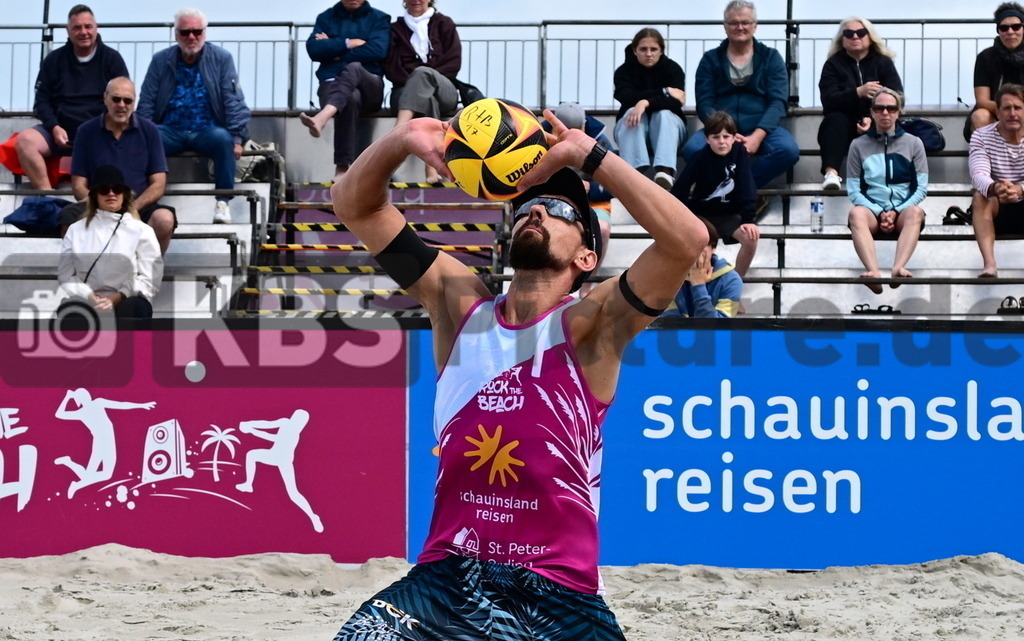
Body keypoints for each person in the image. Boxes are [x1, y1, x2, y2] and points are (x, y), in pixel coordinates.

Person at [327, 108, 707, 639]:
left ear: (586, 256)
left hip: (558, 591)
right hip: (448, 580)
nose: (535, 212)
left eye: (556, 209)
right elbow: (352, 204)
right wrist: (401, 140)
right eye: (527, 206)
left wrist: (589, 155)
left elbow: (687, 241)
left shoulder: (592, 326)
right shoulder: (459, 305)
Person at [137, 8, 252, 224]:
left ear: (205, 33)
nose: (191, 37)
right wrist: (141, 133)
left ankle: (223, 203)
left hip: (207, 131)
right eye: (185, 32)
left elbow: (233, 100)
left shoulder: (221, 58)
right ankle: (143, 202)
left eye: (197, 31)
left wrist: (237, 137)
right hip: (170, 130)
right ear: (176, 34)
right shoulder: (161, 60)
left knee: (224, 140)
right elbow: (147, 101)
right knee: (146, 138)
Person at [12, 5, 128, 191]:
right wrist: (54, 126)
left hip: (99, 132)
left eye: (88, 26)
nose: (83, 32)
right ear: (68, 31)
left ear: (96, 27)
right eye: (77, 27)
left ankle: (99, 201)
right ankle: (48, 197)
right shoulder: (53, 60)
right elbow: (41, 101)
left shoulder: (112, 59)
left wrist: (103, 128)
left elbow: (123, 100)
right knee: (25, 141)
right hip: (59, 132)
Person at [685, 0, 798, 191]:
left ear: (755, 26)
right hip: (720, 127)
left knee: (787, 150)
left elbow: (778, 102)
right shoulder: (710, 59)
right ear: (725, 27)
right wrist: (724, 132)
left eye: (745, 22)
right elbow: (704, 102)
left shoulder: (771, 57)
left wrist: (757, 136)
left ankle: (740, 190)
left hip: (761, 127)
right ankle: (735, 192)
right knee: (693, 150)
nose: (740, 27)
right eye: (733, 23)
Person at [60, 77, 177, 254]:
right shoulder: (86, 131)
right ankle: (84, 275)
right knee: (68, 219)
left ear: (134, 102)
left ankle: (148, 276)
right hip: (97, 203)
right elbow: (78, 186)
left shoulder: (150, 130)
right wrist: (103, 208)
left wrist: (130, 209)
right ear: (105, 98)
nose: (121, 105)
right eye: (116, 99)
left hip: (138, 206)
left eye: (127, 100)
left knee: (164, 220)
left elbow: (159, 183)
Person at [57, 164, 164, 320]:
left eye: (117, 189)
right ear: (95, 195)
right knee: (70, 311)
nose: (111, 194)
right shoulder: (75, 230)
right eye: (104, 189)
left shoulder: (142, 230)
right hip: (87, 299)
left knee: (133, 308)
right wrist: (89, 295)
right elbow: (65, 275)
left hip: (127, 298)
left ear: (125, 194)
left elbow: (151, 277)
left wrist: (118, 296)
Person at [847, 88, 928, 293]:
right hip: (872, 211)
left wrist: (896, 211)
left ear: (898, 112)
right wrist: (879, 211)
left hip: (902, 211)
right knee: (856, 213)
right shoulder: (857, 145)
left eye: (891, 108)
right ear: (872, 112)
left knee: (916, 212)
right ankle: (873, 272)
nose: (885, 113)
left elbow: (921, 189)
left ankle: (898, 268)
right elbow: (854, 190)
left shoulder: (914, 143)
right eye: (879, 108)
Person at [301, 0, 390, 182]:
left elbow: (378, 51)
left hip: (369, 85)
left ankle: (323, 116)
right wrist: (348, 43)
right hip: (333, 84)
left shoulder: (380, 18)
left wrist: (334, 49)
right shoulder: (326, 18)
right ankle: (342, 167)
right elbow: (314, 49)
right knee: (350, 97)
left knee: (354, 67)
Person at [817, 16, 903, 191]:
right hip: (845, 123)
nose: (855, 37)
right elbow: (829, 100)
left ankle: (886, 177)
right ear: (842, 39)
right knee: (833, 121)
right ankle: (831, 174)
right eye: (849, 33)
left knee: (887, 119)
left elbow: (897, 97)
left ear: (870, 37)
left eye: (861, 33)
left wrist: (874, 116)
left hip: (877, 120)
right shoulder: (833, 64)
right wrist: (858, 92)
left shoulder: (883, 63)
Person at [671, 111, 759, 277]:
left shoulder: (739, 154)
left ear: (734, 138)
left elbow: (747, 186)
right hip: (703, 216)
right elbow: (680, 189)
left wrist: (749, 220)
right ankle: (696, 281)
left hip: (729, 216)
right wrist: (680, 220)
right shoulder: (700, 157)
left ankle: (736, 282)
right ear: (707, 139)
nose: (721, 142)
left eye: (726, 137)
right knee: (699, 245)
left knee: (751, 238)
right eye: (716, 137)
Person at [384, 0, 461, 184]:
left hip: (444, 87)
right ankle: (431, 166)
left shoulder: (444, 23)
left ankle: (396, 131)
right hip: (403, 91)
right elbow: (391, 67)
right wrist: (416, 85)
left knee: (422, 74)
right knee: (427, 99)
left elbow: (453, 63)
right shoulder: (395, 29)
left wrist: (425, 77)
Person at [612, 27, 687, 190]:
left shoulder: (673, 70)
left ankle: (665, 173)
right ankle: (632, 175)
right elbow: (625, 96)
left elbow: (676, 102)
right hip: (634, 129)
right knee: (631, 115)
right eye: (643, 49)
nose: (648, 53)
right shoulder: (623, 72)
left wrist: (645, 103)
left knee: (664, 114)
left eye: (654, 49)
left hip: (669, 129)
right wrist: (663, 92)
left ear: (661, 51)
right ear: (634, 50)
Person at [969, 83, 1024, 278]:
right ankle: (990, 265)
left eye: (1017, 107)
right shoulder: (981, 135)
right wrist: (996, 187)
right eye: (1006, 108)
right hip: (997, 205)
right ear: (998, 112)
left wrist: (1020, 189)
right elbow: (978, 174)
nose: (1012, 113)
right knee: (980, 197)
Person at [662, 217, 743, 318]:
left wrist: (698, 285)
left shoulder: (731, 280)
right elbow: (670, 325)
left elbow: (716, 328)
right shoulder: (666, 278)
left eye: (701, 244)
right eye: (687, 244)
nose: (693, 251)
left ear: (713, 248)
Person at [966, 3, 1024, 141]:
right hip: (995, 111)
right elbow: (982, 101)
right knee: (981, 116)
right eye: (1004, 28)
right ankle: (985, 160)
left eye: (1016, 26)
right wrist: (1008, 110)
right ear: (998, 31)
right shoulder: (985, 57)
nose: (1010, 32)